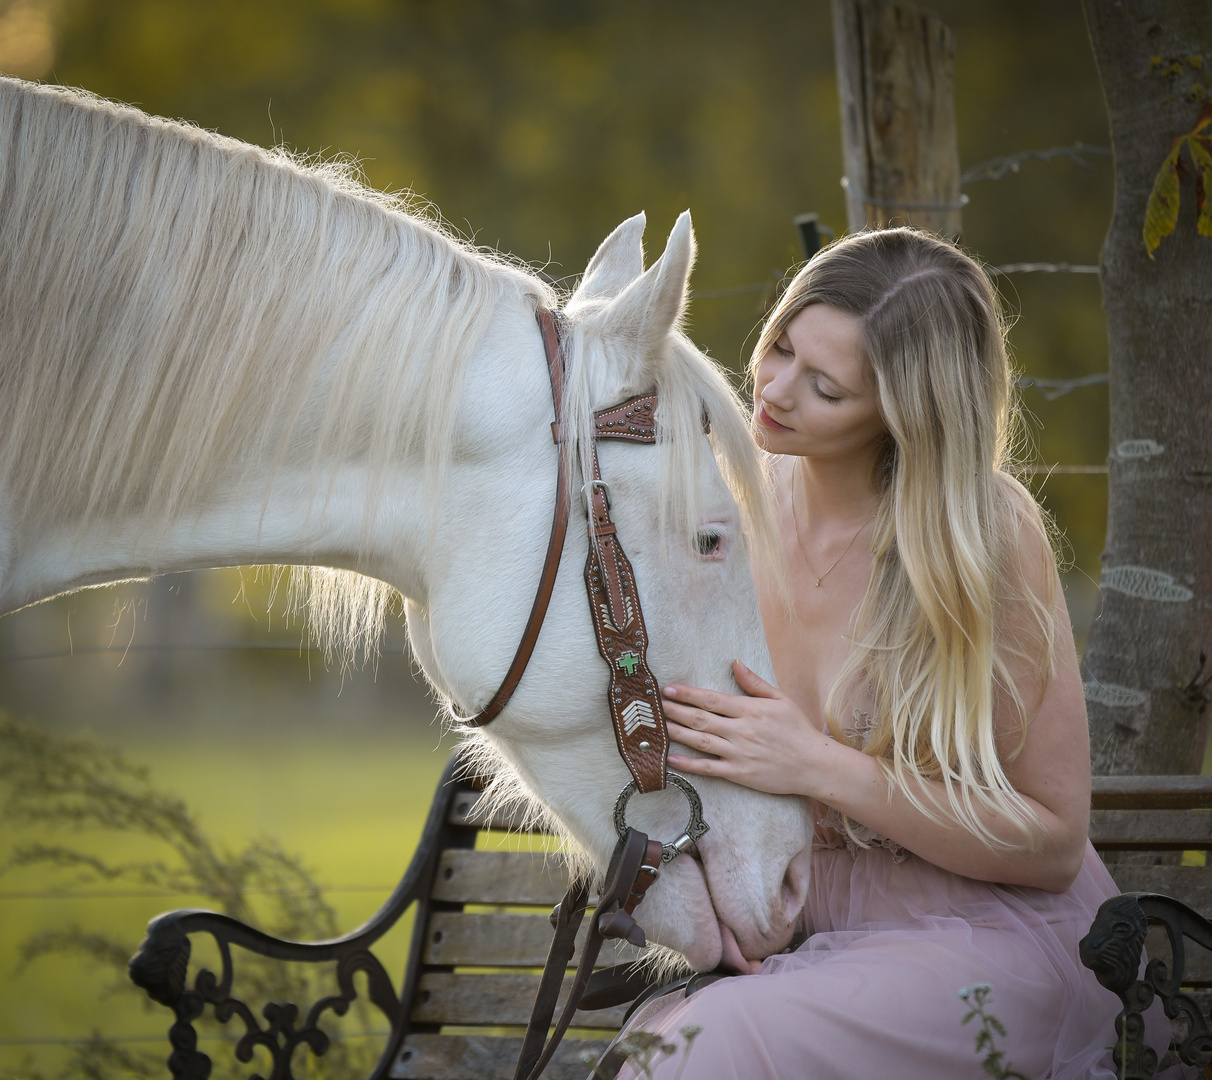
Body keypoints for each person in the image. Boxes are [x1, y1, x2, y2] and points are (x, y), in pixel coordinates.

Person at [608, 228, 1142, 1080]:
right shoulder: (719, 509)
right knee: (662, 1052)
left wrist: (819, 765)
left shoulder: (984, 538)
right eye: (779, 346)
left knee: (704, 1054)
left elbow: (1051, 843)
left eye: (825, 387)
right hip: (793, 927)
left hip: (980, 937)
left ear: (902, 412)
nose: (775, 391)